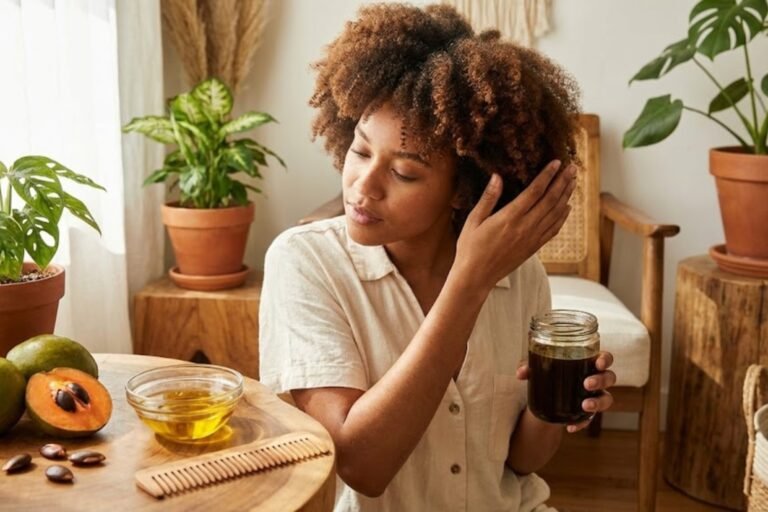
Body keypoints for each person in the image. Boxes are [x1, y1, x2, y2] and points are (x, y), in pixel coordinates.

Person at [259, 4, 615, 511]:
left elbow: (521, 461)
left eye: (404, 173)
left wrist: (552, 407)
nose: (364, 186)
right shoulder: (304, 263)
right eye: (360, 152)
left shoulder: (519, 274)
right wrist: (468, 282)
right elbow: (361, 466)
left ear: (463, 190)